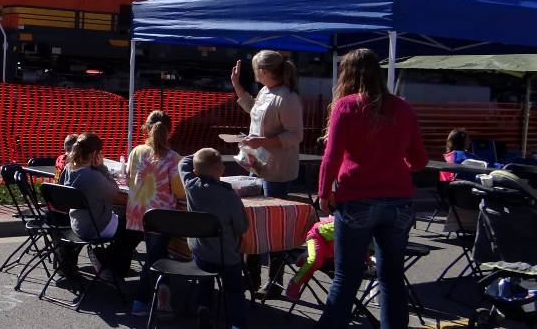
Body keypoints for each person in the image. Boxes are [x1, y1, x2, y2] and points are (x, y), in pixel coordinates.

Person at [317, 48, 428, 328]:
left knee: (346, 277)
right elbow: (419, 160)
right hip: (399, 200)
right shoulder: (403, 107)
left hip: (356, 197)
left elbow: (331, 156)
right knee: (391, 278)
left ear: (347, 75)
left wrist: (323, 193)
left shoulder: (346, 106)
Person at [231, 50, 303, 296]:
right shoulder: (265, 92)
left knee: (274, 228)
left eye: (255, 70)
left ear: (263, 72)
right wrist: (238, 87)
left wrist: (262, 141)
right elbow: (254, 110)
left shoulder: (288, 98)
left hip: (275, 171)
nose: (255, 73)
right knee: (251, 224)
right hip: (257, 167)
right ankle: (251, 278)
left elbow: (295, 136)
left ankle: (274, 282)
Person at [179, 148, 249, 329]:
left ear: (195, 171)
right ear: (221, 170)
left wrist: (195, 156)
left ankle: (203, 307)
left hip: (201, 253)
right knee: (235, 290)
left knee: (204, 274)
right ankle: (237, 323)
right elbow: (242, 227)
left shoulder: (191, 185)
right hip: (226, 257)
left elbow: (182, 163)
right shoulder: (229, 195)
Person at [126, 111, 185, 319]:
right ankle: (143, 300)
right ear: (169, 132)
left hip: (137, 213)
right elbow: (179, 191)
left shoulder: (136, 151)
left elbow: (127, 179)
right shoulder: (174, 159)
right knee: (155, 257)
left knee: (156, 255)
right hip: (161, 218)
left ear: (146, 128)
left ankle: (161, 295)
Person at [61, 133, 135, 280]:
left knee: (123, 222)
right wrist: (101, 167)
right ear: (94, 153)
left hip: (76, 223)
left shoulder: (69, 168)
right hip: (94, 227)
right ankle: (107, 261)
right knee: (132, 228)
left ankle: (108, 261)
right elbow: (114, 190)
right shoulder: (93, 177)